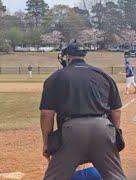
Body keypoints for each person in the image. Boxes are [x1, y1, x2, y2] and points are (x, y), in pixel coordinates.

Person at [40, 40, 126, 180]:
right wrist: (114, 135)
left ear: (67, 57)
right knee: (116, 177)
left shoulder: (56, 77)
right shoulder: (103, 75)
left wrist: (46, 143)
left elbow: (46, 114)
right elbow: (116, 110)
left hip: (72, 130)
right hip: (103, 128)